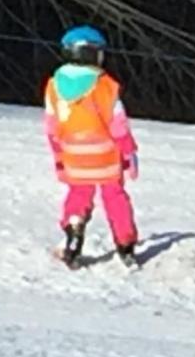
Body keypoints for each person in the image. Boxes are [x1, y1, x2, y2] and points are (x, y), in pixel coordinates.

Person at [44, 25, 139, 268]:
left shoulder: (54, 85)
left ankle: (74, 225)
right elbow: (118, 124)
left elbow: (52, 124)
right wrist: (129, 151)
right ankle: (125, 244)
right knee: (115, 196)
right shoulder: (104, 84)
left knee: (78, 194)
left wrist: (59, 156)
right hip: (105, 154)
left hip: (73, 153)